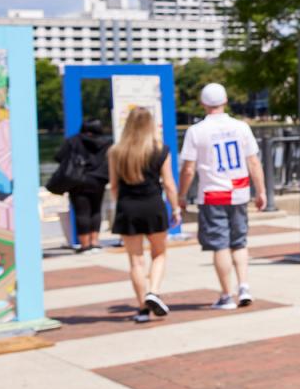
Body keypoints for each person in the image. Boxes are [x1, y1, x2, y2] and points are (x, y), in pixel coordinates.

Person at [178, 83, 265, 310]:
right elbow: (253, 162)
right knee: (239, 242)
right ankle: (244, 285)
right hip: (239, 191)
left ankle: (227, 295)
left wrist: (181, 195)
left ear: (203, 104)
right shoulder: (241, 127)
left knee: (220, 245)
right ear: (225, 101)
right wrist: (261, 190)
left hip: (212, 193)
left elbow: (188, 169)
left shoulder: (196, 131)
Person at [108, 107, 179, 323]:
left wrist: (120, 204)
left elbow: (113, 186)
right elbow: (168, 183)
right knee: (159, 253)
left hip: (128, 207)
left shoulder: (116, 151)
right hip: (153, 205)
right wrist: (175, 207)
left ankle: (142, 309)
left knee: (135, 261)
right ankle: (153, 292)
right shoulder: (159, 149)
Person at [54, 118, 111, 253]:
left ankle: (84, 245)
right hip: (99, 180)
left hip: (77, 180)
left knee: (81, 212)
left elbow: (59, 157)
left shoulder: (73, 141)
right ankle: (95, 242)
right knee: (96, 210)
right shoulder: (107, 142)